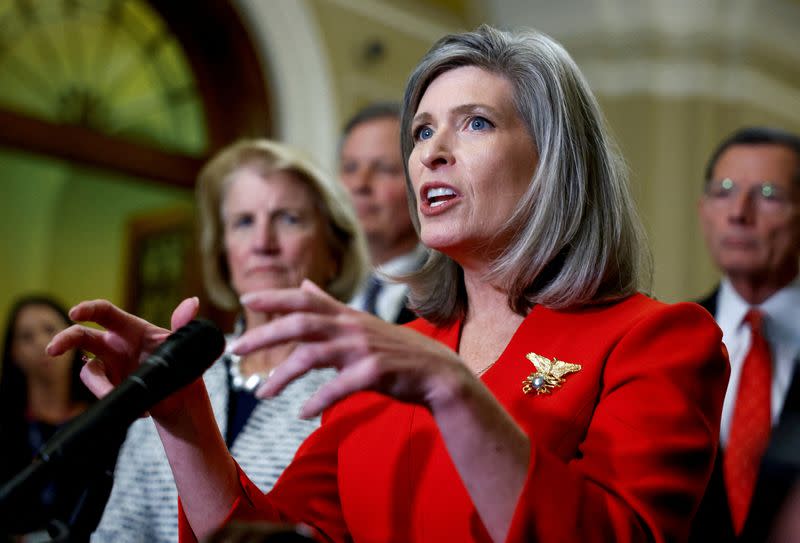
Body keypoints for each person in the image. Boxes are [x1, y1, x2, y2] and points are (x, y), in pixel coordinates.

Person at [49, 26, 729, 543]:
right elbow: (278, 535)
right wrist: (186, 419)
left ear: (555, 161)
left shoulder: (654, 338)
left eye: (477, 123)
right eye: (423, 129)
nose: (430, 150)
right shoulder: (390, 350)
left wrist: (453, 388)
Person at [89, 139, 368, 542]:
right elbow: (120, 532)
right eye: (243, 222)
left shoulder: (359, 380)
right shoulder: (174, 369)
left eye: (288, 218)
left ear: (335, 254)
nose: (263, 243)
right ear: (223, 254)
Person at [691, 126, 800, 542]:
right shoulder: (662, 339)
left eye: (768, 195)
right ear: (703, 209)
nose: (739, 213)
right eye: (724, 191)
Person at [0, 295, 106, 538]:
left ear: (73, 338)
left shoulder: (103, 417)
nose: (40, 342)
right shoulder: (6, 424)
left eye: (50, 329)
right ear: (13, 352)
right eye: (26, 336)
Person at [339, 103, 425, 324]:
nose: (360, 184)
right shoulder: (316, 284)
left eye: (384, 169)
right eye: (350, 168)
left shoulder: (457, 289)